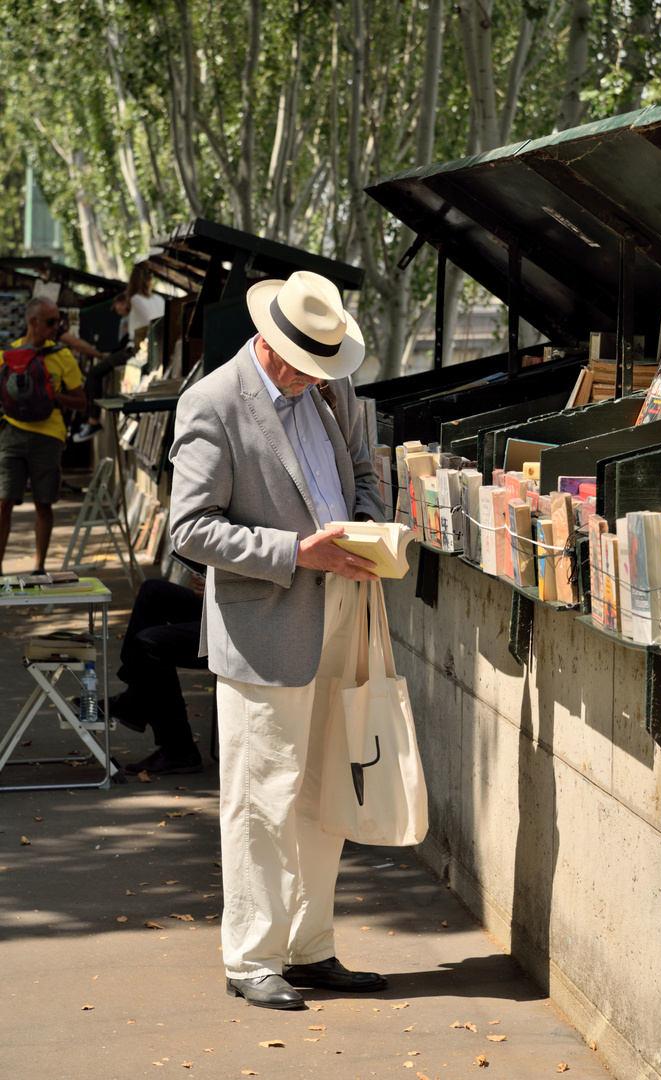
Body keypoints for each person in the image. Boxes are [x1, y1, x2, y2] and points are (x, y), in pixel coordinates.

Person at [169, 270, 387, 1011]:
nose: (316, 380)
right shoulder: (212, 402)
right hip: (265, 630)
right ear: (268, 340)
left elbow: (363, 472)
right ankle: (251, 957)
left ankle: (309, 946)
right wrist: (297, 553)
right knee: (260, 799)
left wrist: (364, 528)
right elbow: (191, 529)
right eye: (304, 365)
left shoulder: (332, 387)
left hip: (340, 613)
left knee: (325, 792)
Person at [0, 297, 86, 574]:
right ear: (32, 322)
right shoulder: (7, 355)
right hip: (11, 434)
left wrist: (54, 394)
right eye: (50, 322)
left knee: (43, 503)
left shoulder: (62, 356)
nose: (56, 327)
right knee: (3, 501)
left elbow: (82, 402)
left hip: (49, 436)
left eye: (58, 321)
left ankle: (39, 567)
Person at [109, 573, 206, 775]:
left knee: (150, 643)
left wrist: (223, 586)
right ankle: (134, 698)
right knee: (151, 591)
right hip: (226, 604)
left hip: (248, 622)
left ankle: (180, 749)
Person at [73, 292, 133, 443]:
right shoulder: (124, 320)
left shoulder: (132, 318)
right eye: (117, 304)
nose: (118, 307)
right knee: (92, 375)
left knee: (94, 373)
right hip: (122, 351)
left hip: (128, 352)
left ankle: (93, 420)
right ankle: (89, 419)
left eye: (121, 303)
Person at [126, 261, 164, 345]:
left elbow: (148, 324)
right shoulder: (159, 299)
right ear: (150, 281)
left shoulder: (136, 299)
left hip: (143, 344)